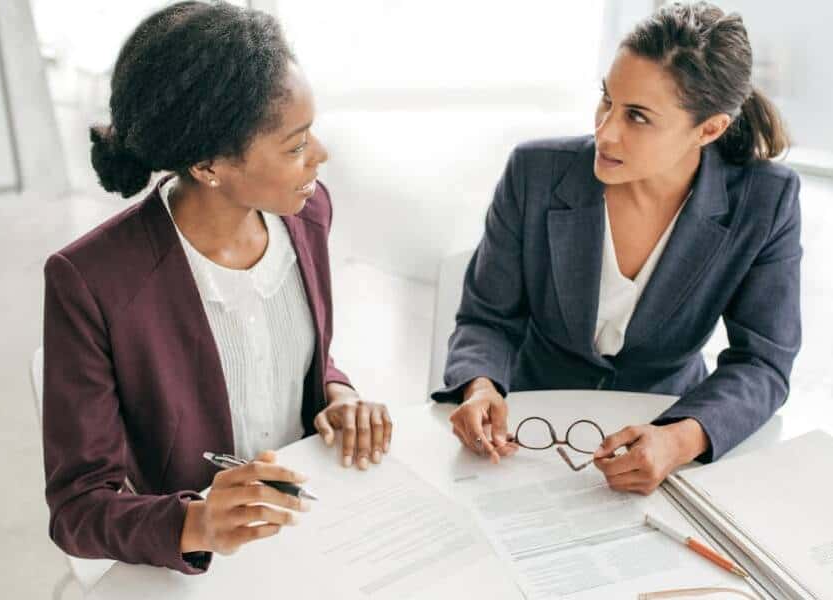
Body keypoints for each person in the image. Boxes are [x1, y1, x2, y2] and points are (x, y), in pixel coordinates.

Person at [43, 2, 391, 574]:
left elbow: (302, 357)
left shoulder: (308, 214)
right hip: (195, 565)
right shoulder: (91, 281)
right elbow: (76, 507)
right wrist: (199, 522)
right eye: (296, 144)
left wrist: (338, 395)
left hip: (312, 527)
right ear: (209, 166)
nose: (321, 157)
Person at [434, 1, 800, 496]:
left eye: (638, 117)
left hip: (663, 427)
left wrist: (679, 440)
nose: (605, 131)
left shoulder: (765, 201)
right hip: (529, 428)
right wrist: (481, 385)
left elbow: (763, 363)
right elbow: (487, 318)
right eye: (607, 100)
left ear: (709, 129)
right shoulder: (535, 173)